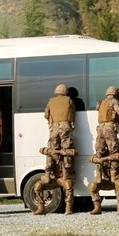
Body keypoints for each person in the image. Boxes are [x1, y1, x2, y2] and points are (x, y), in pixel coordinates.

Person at [34, 83, 77, 215]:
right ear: (65, 92)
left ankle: (48, 173)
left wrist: (53, 124)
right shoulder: (69, 100)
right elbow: (72, 113)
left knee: (51, 152)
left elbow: (46, 114)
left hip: (53, 129)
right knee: (66, 152)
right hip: (65, 127)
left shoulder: (51, 101)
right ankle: (68, 208)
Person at [89, 85, 119, 215]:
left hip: (99, 129)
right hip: (110, 129)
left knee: (98, 154)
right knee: (114, 153)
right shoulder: (114, 102)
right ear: (115, 94)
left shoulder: (101, 102)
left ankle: (99, 175)